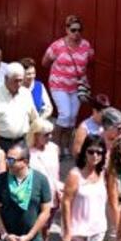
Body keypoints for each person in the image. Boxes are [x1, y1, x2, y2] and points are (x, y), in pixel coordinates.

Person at [42, 15, 94, 154]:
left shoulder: (86, 45)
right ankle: (54, 146)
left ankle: (65, 147)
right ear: (66, 30)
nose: (76, 33)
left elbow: (90, 61)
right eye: (73, 30)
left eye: (79, 30)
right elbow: (45, 62)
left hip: (76, 87)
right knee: (65, 114)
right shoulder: (57, 46)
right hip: (58, 85)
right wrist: (60, 72)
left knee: (72, 118)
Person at [0, 62, 40, 151]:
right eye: (15, 80)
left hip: (23, 142)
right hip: (1, 143)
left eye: (21, 80)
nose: (19, 84)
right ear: (6, 78)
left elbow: (35, 118)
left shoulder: (26, 93)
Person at [28, 118, 61, 241]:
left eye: (51, 133)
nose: (50, 137)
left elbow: (56, 173)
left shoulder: (54, 148)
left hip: (52, 195)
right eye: (46, 134)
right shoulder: (27, 152)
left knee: (46, 229)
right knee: (35, 228)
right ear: (36, 134)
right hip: (34, 198)